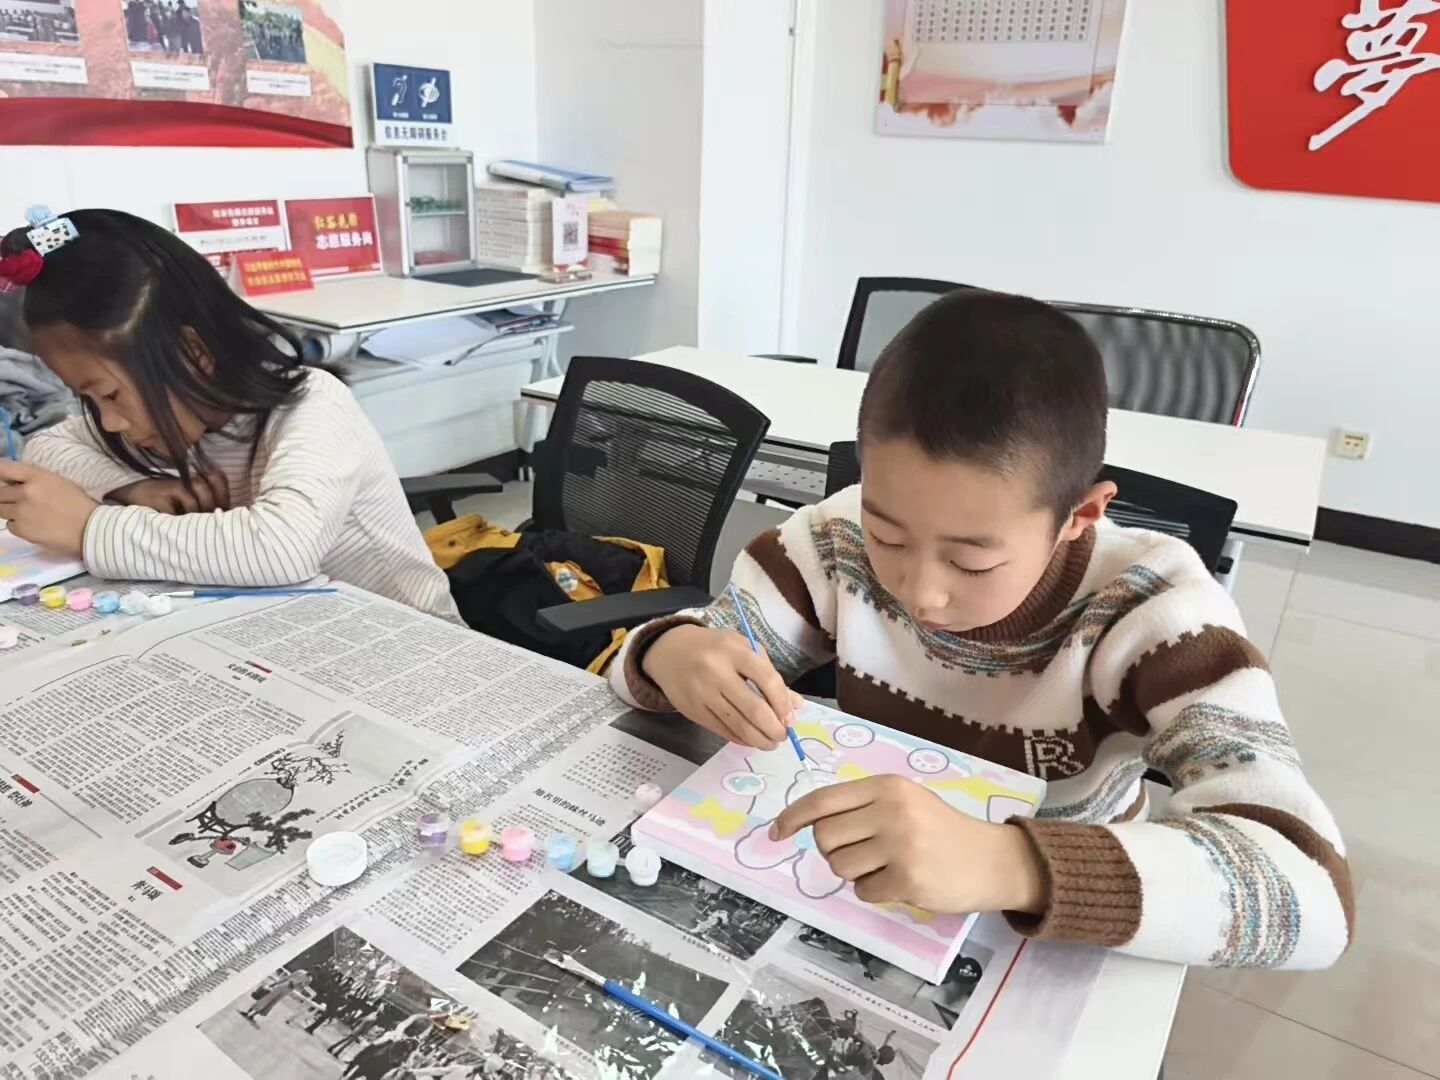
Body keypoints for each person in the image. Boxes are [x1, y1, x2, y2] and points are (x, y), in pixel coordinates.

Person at [611, 290, 1352, 970]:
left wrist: (1012, 864)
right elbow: (691, 649)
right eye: (889, 534)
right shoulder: (834, 541)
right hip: (864, 888)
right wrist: (671, 651)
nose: (920, 592)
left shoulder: (1153, 612)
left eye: (972, 561)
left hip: (1049, 921)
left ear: (1080, 516)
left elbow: (1315, 901)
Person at [0, 209, 458, 621]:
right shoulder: (163, 422)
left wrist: (87, 527)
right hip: (287, 627)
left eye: (110, 395)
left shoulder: (315, 405)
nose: (109, 422)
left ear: (193, 355)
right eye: (89, 400)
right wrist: (134, 487)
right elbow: (46, 447)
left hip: (412, 635)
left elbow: (283, 549)